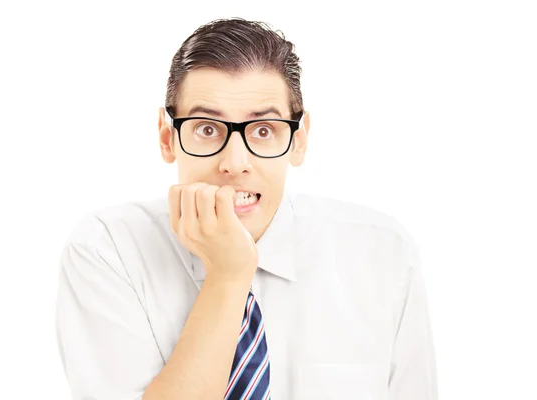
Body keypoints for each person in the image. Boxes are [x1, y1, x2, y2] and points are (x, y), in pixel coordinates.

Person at [55, 18, 438, 400]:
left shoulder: (382, 256)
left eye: (263, 130)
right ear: (167, 136)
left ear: (298, 141)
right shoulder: (106, 252)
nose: (234, 162)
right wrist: (228, 276)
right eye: (207, 129)